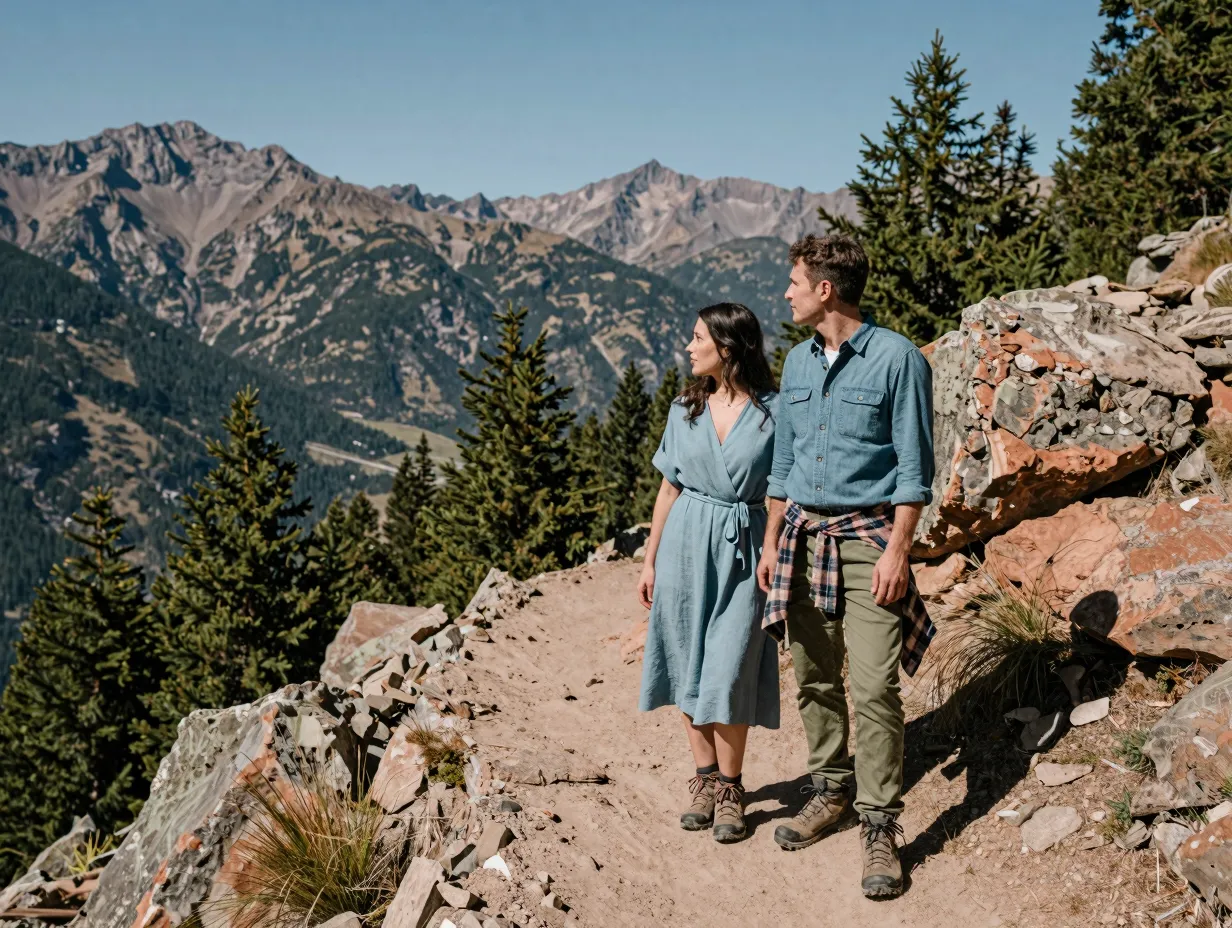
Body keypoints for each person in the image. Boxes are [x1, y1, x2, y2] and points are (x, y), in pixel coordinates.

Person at [756, 234, 935, 898]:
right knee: (813, 678)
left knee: (874, 686)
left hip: (867, 544)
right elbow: (784, 464)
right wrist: (773, 541)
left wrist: (898, 550)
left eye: (795, 281)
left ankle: (880, 824)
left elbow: (915, 471)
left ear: (825, 289)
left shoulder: (897, 360)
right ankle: (829, 791)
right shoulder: (797, 366)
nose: (788, 292)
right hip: (802, 539)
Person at [637, 302, 780, 844]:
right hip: (684, 543)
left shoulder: (773, 411)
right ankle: (704, 779)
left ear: (727, 347)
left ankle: (731, 787)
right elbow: (668, 486)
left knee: (731, 667)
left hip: (743, 547)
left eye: (697, 338)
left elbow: (781, 489)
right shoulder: (684, 408)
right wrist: (650, 559)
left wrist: (773, 548)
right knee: (686, 660)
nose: (688, 346)